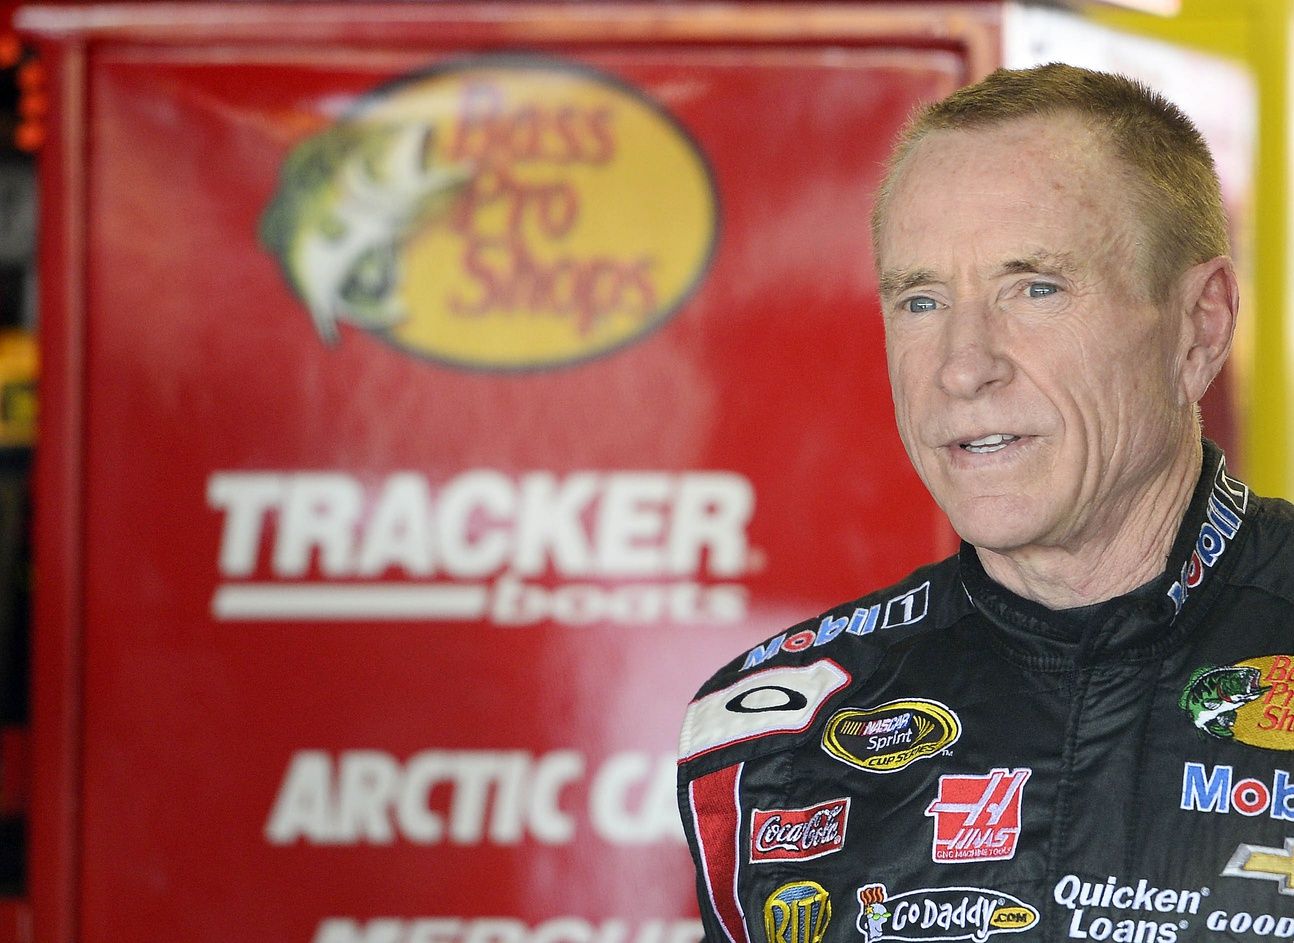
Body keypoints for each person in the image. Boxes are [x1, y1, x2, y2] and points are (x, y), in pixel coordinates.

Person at [676, 64, 1294, 943]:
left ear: (1201, 324)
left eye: (1034, 288)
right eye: (921, 300)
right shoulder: (774, 738)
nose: (964, 366)